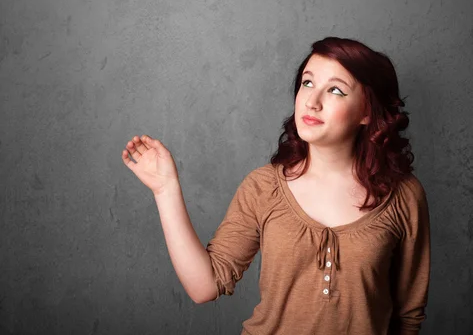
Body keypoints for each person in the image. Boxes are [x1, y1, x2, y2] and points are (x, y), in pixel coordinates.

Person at [122, 36, 431, 335]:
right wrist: (166, 190)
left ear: (366, 111)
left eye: (335, 90)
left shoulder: (405, 196)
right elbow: (205, 286)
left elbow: (408, 316)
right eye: (307, 83)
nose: (312, 101)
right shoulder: (263, 187)